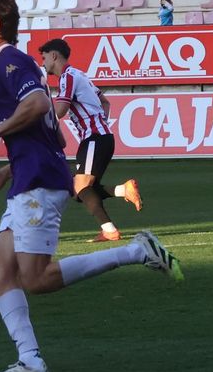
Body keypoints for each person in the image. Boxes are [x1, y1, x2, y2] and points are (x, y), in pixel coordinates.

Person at [0, 0, 182, 372]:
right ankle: (30, 361)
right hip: (30, 176)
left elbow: (38, 107)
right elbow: (53, 140)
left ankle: (137, 251)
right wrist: (4, 169)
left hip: (40, 182)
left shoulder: (8, 60)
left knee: (36, 278)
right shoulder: (12, 63)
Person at [38, 39, 144, 244]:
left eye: (44, 57)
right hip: (99, 137)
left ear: (54, 56)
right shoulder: (80, 75)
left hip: (95, 138)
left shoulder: (67, 77)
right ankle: (123, 190)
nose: (43, 63)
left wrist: (39, 116)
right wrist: (99, 122)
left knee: (80, 187)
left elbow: (59, 111)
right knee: (80, 191)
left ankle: (110, 230)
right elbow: (105, 101)